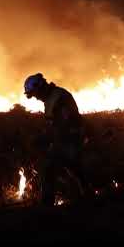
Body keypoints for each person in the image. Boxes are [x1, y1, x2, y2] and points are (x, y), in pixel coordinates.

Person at [24, 73, 88, 206]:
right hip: (64, 140)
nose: (35, 98)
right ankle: (87, 196)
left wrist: (46, 138)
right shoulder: (51, 99)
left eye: (35, 94)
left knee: (49, 168)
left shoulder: (59, 97)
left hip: (71, 140)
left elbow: (65, 124)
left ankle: (47, 208)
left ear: (40, 87)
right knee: (76, 171)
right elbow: (54, 124)